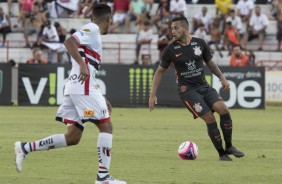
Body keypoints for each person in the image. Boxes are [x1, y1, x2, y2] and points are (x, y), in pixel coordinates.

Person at [14, 4, 126, 184]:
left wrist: (101, 96)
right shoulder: (93, 28)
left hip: (76, 87)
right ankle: (103, 178)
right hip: (82, 88)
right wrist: (81, 64)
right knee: (106, 126)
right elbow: (69, 42)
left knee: (73, 137)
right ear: (108, 19)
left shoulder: (92, 32)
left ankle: (25, 147)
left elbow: (89, 68)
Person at [149, 16, 245, 161]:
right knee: (210, 118)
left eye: (176, 28)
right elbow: (159, 71)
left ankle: (229, 146)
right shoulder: (170, 49)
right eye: (171, 28)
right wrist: (152, 94)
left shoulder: (199, 44)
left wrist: (222, 78)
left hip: (204, 86)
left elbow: (211, 64)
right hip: (187, 91)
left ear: (185, 28)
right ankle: (221, 154)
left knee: (224, 110)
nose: (172, 31)